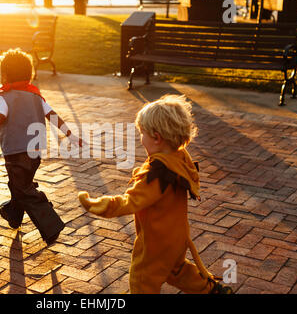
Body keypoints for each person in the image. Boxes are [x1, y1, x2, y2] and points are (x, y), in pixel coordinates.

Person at [78, 95, 233, 294]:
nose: (141, 139)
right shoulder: (180, 157)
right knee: (176, 271)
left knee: (142, 280)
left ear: (157, 138)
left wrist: (98, 204)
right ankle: (212, 291)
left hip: (156, 244)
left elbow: (130, 202)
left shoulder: (157, 174)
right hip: (176, 238)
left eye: (142, 133)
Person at [0, 48, 81, 245]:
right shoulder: (36, 96)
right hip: (34, 154)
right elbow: (53, 116)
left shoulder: (4, 96)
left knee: (24, 190)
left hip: (16, 152)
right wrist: (70, 134)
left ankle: (51, 226)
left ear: (5, 75)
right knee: (19, 185)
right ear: (30, 74)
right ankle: (13, 214)